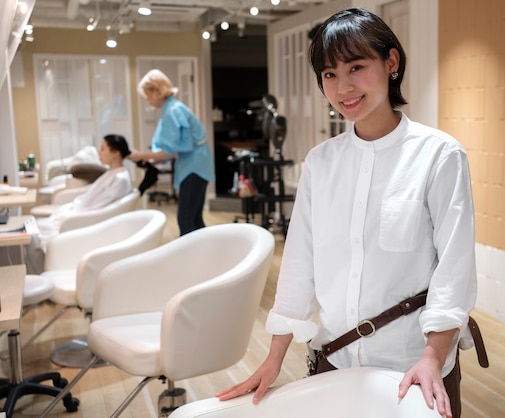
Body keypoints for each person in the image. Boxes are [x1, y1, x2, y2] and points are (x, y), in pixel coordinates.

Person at [216, 8, 478, 418]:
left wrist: (433, 356)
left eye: (356, 67)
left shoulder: (439, 155)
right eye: (329, 74)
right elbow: (299, 264)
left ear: (391, 63)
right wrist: (273, 359)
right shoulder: (320, 163)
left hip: (413, 369)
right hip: (334, 362)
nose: (343, 87)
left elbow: (455, 268)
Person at [26, 134, 133, 273]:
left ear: (115, 153)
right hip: (77, 214)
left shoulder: (120, 179)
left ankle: (40, 277)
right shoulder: (111, 173)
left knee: (32, 235)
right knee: (31, 227)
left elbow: (98, 208)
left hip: (83, 221)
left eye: (103, 149)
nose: (99, 153)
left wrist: (71, 215)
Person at [129, 69, 215, 236]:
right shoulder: (172, 108)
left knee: (186, 219)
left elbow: (170, 151)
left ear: (156, 91)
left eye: (147, 94)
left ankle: (190, 258)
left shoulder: (171, 111)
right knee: (194, 218)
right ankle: (204, 255)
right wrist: (150, 160)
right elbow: (172, 149)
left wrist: (142, 156)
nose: (147, 99)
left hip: (195, 165)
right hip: (197, 162)